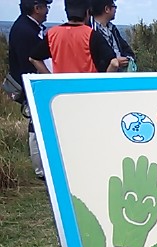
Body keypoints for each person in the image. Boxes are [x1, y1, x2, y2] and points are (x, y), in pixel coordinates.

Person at [8, 0, 52, 180]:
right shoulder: (25, 31)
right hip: (31, 85)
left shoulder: (27, 27)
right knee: (36, 126)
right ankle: (40, 169)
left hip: (32, 83)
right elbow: (30, 62)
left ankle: (42, 166)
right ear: (37, 8)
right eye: (46, 6)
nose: (47, 10)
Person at [29, 0, 119, 74]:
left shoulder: (52, 33)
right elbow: (114, 63)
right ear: (88, 12)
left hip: (61, 88)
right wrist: (102, 83)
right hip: (88, 87)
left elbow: (34, 58)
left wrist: (50, 79)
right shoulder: (92, 35)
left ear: (66, 11)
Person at [90, 0, 135, 72]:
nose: (115, 10)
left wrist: (126, 59)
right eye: (114, 7)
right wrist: (114, 62)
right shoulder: (91, 32)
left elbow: (127, 50)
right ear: (107, 9)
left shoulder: (112, 29)